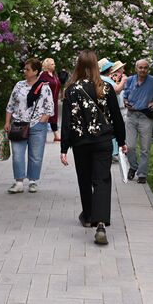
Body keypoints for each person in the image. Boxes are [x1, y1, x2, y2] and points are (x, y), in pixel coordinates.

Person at [61, 50, 127, 245]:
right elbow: (116, 117)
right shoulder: (105, 88)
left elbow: (66, 122)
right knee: (102, 180)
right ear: (97, 66)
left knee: (84, 179)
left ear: (78, 66)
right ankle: (100, 223)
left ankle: (88, 216)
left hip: (80, 143)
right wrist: (122, 141)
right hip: (102, 141)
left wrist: (64, 148)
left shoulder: (71, 90)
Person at [4, 58, 55, 193]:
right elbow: (11, 105)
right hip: (18, 124)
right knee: (17, 153)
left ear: (35, 71)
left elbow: (50, 107)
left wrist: (42, 120)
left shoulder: (44, 87)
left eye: (27, 69)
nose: (24, 71)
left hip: (37, 126)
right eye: (25, 69)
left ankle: (33, 181)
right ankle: (19, 182)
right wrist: (7, 122)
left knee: (36, 155)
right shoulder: (19, 85)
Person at [122, 59, 153, 183]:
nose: (143, 70)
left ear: (148, 69)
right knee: (130, 146)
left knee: (145, 148)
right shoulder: (130, 80)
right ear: (136, 68)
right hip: (131, 116)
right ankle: (133, 167)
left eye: (145, 68)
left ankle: (142, 174)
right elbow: (125, 95)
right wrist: (126, 102)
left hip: (145, 117)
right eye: (140, 67)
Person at [99, 58, 127, 162]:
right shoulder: (105, 79)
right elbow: (117, 90)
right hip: (112, 109)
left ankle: (113, 152)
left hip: (112, 108)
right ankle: (112, 153)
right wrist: (123, 81)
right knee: (114, 130)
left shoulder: (104, 78)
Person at [40, 57, 62, 142]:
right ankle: (41, 135)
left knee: (54, 117)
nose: (54, 65)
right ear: (47, 66)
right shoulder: (43, 75)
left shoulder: (54, 74)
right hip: (46, 101)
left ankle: (56, 135)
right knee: (45, 117)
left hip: (54, 100)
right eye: (52, 64)